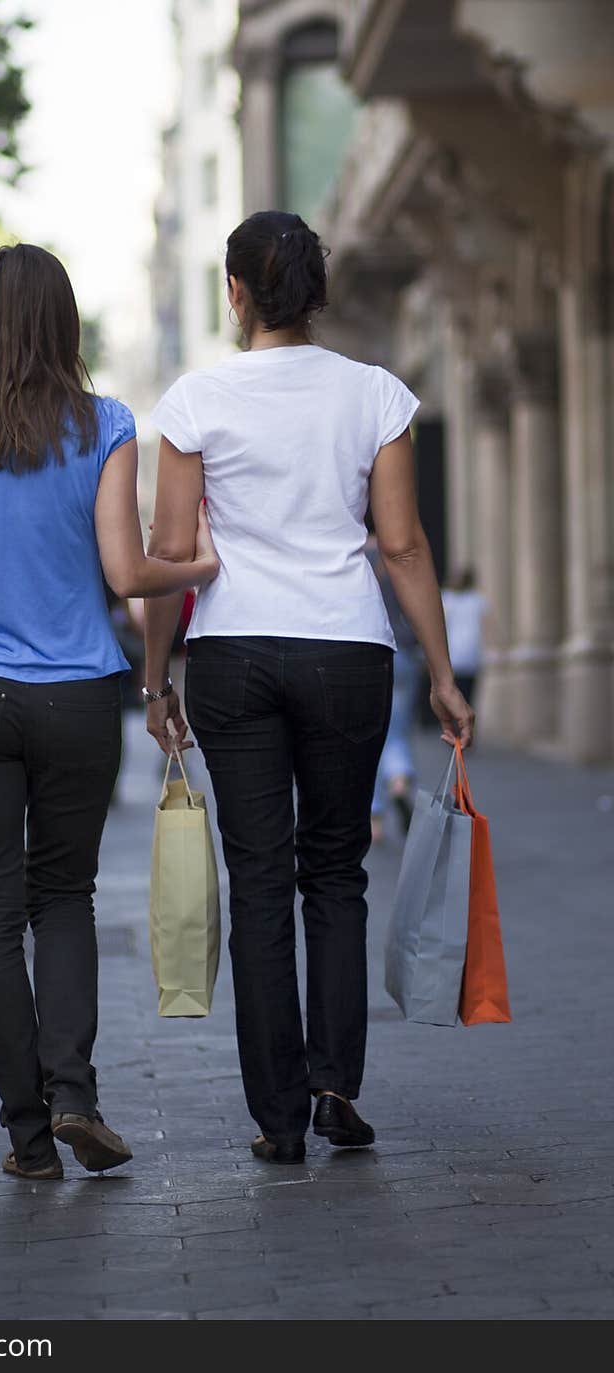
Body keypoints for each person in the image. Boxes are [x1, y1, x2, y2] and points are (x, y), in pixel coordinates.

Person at [143, 210, 474, 1166]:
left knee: (259, 881)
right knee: (336, 873)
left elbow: (171, 552)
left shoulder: (194, 401)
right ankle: (336, 1085)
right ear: (320, 295)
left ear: (234, 292)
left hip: (234, 654)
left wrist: (157, 678)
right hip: (347, 651)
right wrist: (444, 676)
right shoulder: (377, 395)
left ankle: (277, 1116)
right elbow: (403, 546)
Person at [0, 243, 218, 1181]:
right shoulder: (107, 423)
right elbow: (127, 574)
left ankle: (30, 1137)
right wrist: (200, 565)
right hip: (78, 696)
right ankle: (74, 1091)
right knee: (63, 897)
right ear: (67, 323)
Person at [367, 536, 422, 843]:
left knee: (369, 736)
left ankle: (373, 820)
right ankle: (399, 780)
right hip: (404, 651)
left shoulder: (352, 552)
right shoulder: (398, 550)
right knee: (398, 731)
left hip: (370, 649)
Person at [441, 569, 489, 708]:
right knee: (468, 696)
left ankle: (456, 726)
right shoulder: (477, 600)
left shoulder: (446, 599)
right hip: (471, 655)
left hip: (452, 656)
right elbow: (488, 626)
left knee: (453, 696)